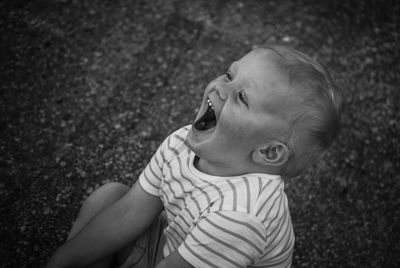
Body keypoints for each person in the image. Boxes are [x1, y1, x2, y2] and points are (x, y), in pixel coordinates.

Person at [45, 45, 342, 268]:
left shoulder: (240, 216)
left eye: (241, 97)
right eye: (229, 74)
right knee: (109, 197)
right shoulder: (182, 142)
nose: (219, 87)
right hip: (177, 247)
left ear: (268, 151)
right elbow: (129, 212)